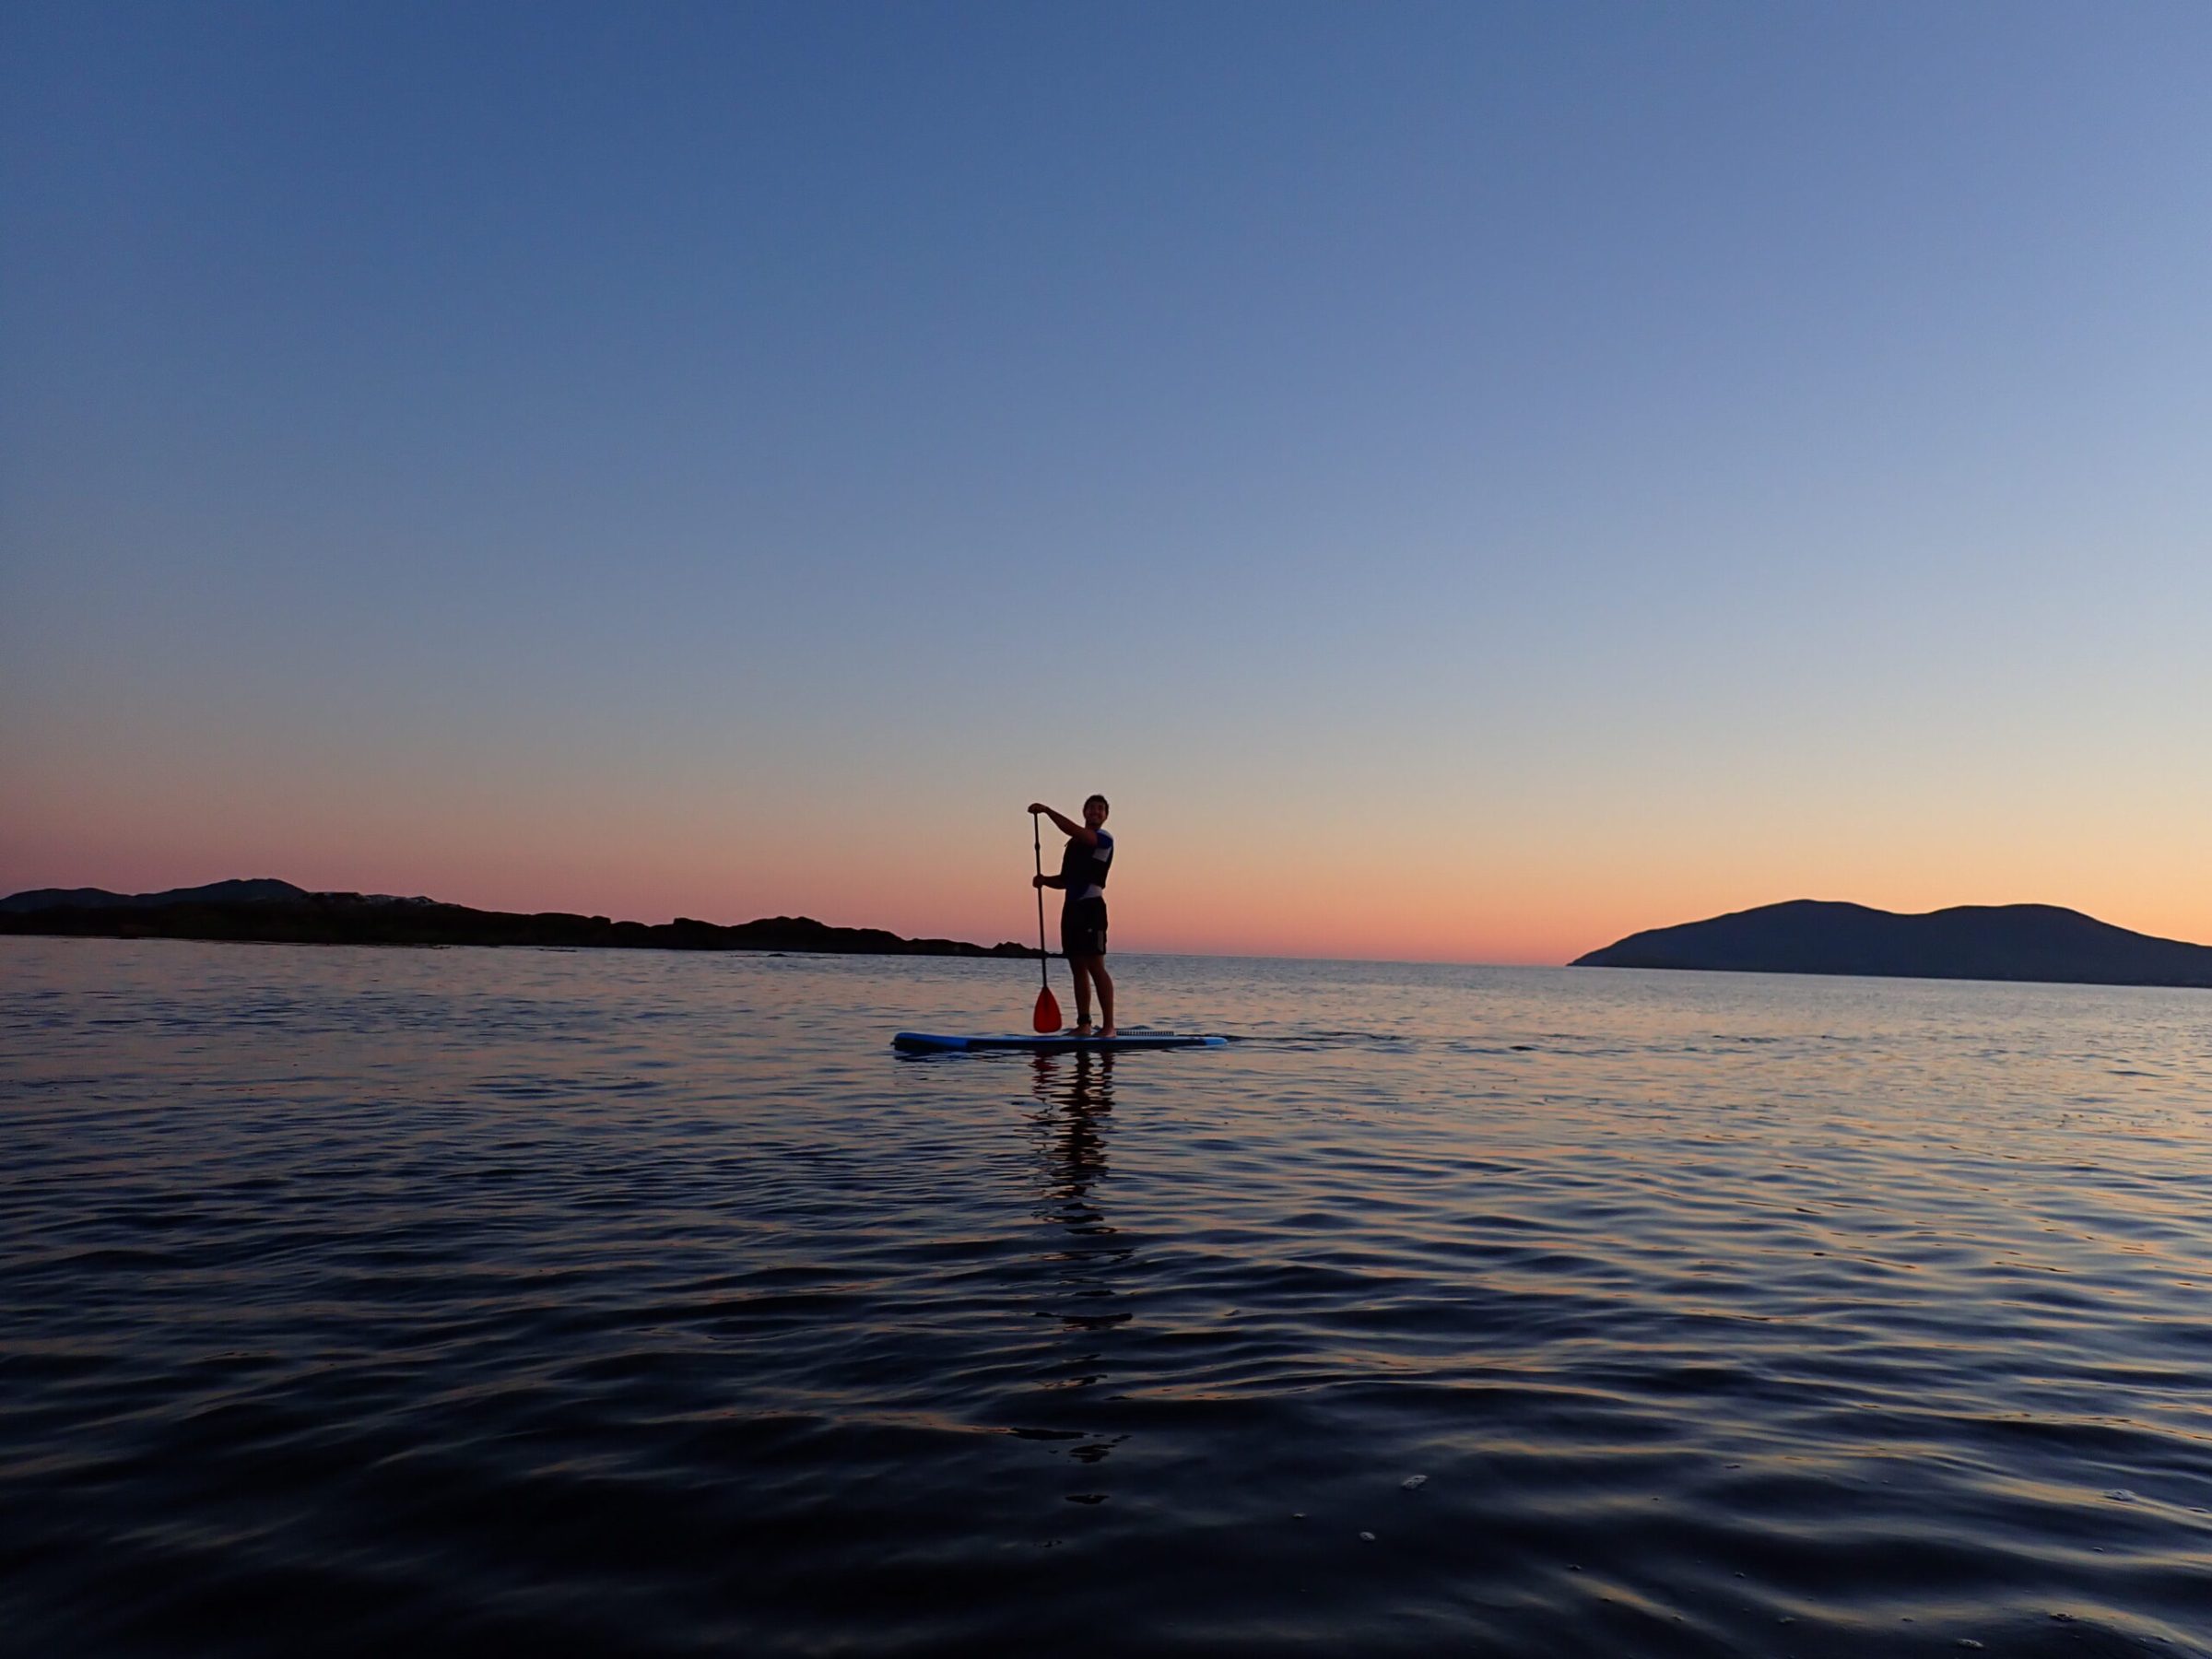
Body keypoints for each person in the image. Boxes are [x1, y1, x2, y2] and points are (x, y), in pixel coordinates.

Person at [1030, 794, 1114, 1038]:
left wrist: (1047, 811)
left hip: (1092, 909)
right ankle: (1084, 1024)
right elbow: (1066, 880)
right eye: (1091, 808)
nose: (1095, 812)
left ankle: (1109, 1027)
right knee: (1077, 966)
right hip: (1072, 910)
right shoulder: (1074, 845)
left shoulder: (1104, 839)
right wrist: (1044, 880)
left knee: (1095, 965)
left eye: (1100, 809)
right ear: (1084, 811)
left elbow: (1073, 830)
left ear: (1105, 816)